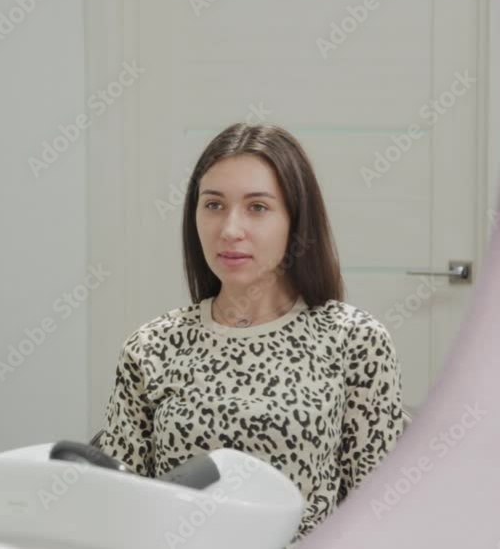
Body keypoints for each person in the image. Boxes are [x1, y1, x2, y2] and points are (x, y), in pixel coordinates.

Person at [95, 122, 407, 542]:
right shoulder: (151, 347)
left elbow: (381, 513)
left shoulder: (355, 341)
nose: (230, 229)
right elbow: (118, 512)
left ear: (296, 221)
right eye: (213, 205)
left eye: (257, 207)